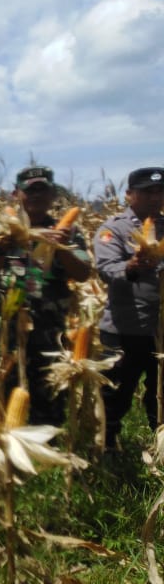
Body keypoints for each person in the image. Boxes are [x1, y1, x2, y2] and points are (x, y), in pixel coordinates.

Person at [0, 166, 91, 425]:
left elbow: (83, 273)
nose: (37, 196)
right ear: (16, 194)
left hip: (51, 333)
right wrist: (5, 246)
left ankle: (47, 447)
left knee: (49, 403)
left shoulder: (69, 232)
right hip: (4, 332)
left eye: (43, 190)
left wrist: (61, 247)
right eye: (30, 190)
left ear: (53, 195)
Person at [95, 167, 164, 446]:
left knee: (160, 393)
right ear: (129, 194)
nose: (155, 197)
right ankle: (107, 450)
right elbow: (106, 269)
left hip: (160, 330)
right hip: (125, 328)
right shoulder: (114, 229)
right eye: (148, 192)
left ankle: (159, 447)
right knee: (116, 394)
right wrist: (131, 267)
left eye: (160, 192)